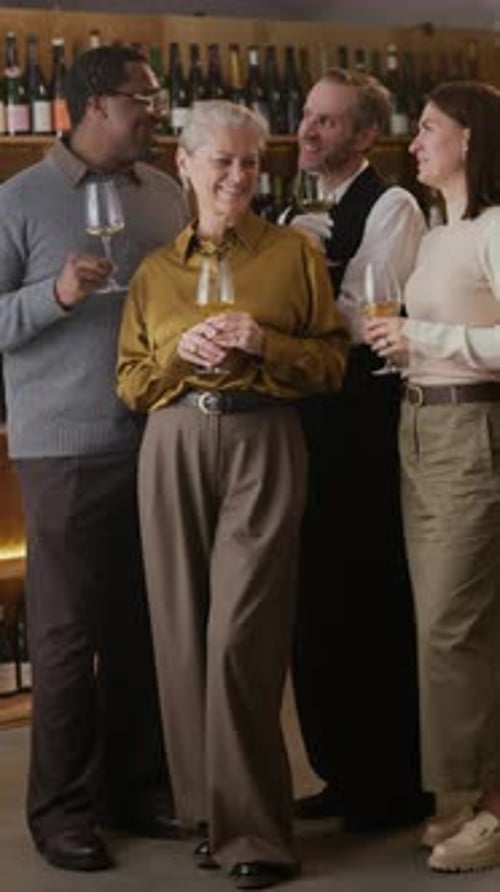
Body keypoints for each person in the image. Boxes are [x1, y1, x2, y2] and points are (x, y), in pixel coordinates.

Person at [117, 99, 349, 890]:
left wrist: (266, 343)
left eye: (251, 162)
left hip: (263, 440)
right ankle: (208, 818)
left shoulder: (292, 256)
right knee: (181, 637)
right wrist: (180, 355)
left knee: (240, 638)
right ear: (185, 164)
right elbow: (131, 383)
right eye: (223, 161)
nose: (240, 176)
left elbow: (331, 364)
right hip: (173, 444)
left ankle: (258, 833)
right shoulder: (153, 272)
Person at [0, 45, 188, 871]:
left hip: (155, 438)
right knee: (69, 639)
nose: (153, 109)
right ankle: (61, 811)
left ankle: (135, 786)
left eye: (154, 96)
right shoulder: (18, 200)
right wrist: (55, 297)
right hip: (64, 451)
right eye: (139, 98)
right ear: (91, 105)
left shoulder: (168, 194)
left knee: (145, 626)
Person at [281, 67, 433, 829]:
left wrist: (290, 279)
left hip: (362, 428)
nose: (309, 131)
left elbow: (352, 319)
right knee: (314, 605)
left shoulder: (395, 205)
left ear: (368, 136)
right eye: (309, 116)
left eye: (329, 122)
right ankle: (339, 771)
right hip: (303, 424)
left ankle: (392, 784)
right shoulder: (293, 207)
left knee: (368, 601)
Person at [365, 80, 500, 873]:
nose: (413, 143)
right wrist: (407, 347)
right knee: (447, 626)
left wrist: (427, 338)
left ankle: (483, 805)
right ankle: (462, 795)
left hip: (472, 427)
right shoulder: (444, 233)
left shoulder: (494, 229)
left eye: (428, 130)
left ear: (471, 140)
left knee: (455, 625)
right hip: (420, 426)